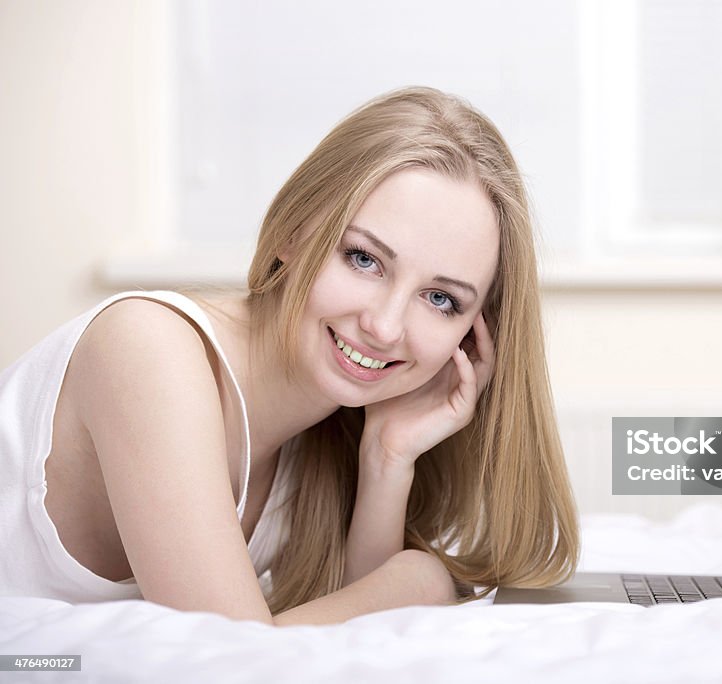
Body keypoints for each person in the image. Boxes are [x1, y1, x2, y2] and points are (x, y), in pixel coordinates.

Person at [0, 87, 580, 625]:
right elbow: (233, 663)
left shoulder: (323, 439)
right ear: (294, 230)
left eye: (440, 299)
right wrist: (416, 583)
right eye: (363, 259)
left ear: (470, 334)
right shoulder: (148, 348)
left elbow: (345, 645)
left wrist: (385, 458)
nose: (384, 326)